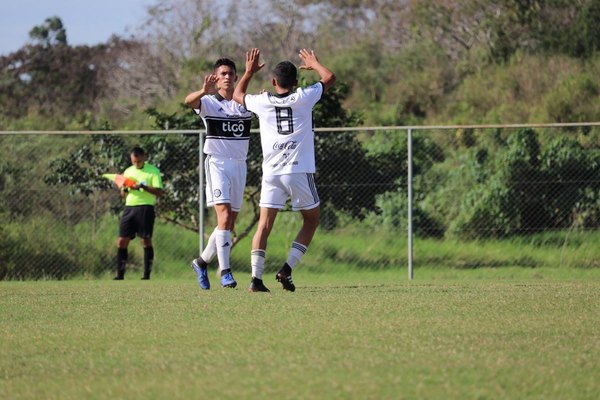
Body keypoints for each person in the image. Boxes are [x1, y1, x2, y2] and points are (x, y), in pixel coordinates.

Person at [233, 48, 336, 292]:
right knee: (311, 221)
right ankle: (286, 269)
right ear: (296, 82)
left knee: (264, 226)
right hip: (298, 170)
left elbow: (237, 94)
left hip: (272, 173)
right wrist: (315, 63)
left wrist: (248, 73)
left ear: (273, 81)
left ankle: (256, 280)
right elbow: (330, 78)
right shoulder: (304, 96)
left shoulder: (262, 101)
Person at [184, 58, 253, 290]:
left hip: (240, 165)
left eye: (230, 73)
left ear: (235, 76)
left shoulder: (244, 103)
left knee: (229, 224)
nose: (227, 76)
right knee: (222, 218)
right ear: (216, 76)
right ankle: (225, 271)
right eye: (222, 73)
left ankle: (201, 261)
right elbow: (188, 101)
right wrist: (203, 91)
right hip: (218, 164)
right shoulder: (209, 102)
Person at [114, 146, 164, 280]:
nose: (136, 164)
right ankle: (120, 275)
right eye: (134, 162)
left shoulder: (153, 171)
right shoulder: (128, 171)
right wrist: (125, 189)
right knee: (121, 241)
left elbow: (159, 192)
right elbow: (122, 194)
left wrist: (143, 187)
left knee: (145, 240)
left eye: (139, 161)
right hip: (129, 208)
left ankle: (146, 275)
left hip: (145, 208)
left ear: (144, 158)